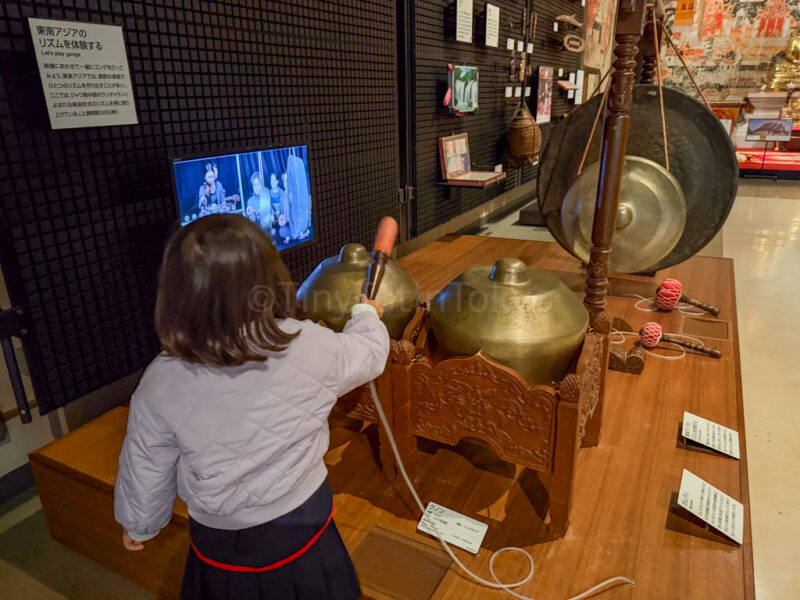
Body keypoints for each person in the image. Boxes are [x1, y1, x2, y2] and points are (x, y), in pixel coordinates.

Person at [114, 214, 389, 600]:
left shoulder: (160, 381)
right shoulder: (309, 343)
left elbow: (146, 462)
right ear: (269, 278)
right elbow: (369, 355)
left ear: (176, 293)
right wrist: (366, 316)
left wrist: (139, 524)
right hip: (305, 521)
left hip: (222, 540)